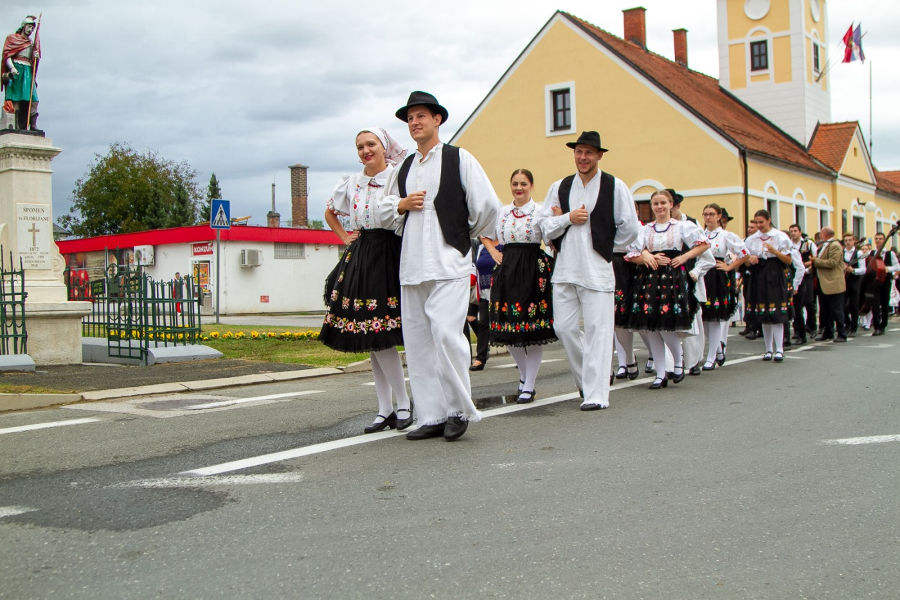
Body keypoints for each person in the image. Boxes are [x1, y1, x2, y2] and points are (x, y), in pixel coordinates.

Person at [380, 91, 500, 441]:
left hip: (449, 262)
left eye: (421, 116)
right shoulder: (403, 168)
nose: (414, 122)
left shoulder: (459, 158)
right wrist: (401, 205)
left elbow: (488, 207)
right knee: (418, 342)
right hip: (412, 264)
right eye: (410, 118)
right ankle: (431, 415)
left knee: (448, 336)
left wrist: (463, 235)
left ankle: (458, 409)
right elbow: (384, 211)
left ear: (437, 119)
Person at [320, 126, 413, 434]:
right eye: (360, 146)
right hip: (363, 255)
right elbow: (330, 212)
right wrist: (345, 236)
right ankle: (386, 408)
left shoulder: (397, 176)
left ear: (384, 147)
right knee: (372, 336)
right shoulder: (352, 182)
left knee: (381, 333)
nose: (365, 150)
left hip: (389, 253)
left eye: (371, 144)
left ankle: (403, 404)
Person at [540, 131, 640, 410]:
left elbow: (630, 228)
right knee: (564, 328)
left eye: (588, 153)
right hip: (565, 269)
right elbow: (544, 226)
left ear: (599, 155)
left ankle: (597, 394)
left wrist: (605, 246)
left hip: (597, 270)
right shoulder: (559, 186)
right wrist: (567, 218)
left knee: (599, 331)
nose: (582, 157)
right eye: (578, 152)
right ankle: (587, 380)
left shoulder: (615, 186)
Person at [625, 189, 710, 389]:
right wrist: (647, 256)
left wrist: (684, 257)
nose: (659, 207)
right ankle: (661, 373)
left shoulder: (681, 227)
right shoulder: (645, 229)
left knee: (666, 324)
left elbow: (704, 244)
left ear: (671, 204)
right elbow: (631, 254)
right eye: (656, 203)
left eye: (663, 203)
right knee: (652, 327)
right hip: (649, 278)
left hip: (671, 277)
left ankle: (678, 360)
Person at [484, 169, 556, 404]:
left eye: (523, 184)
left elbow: (551, 238)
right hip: (507, 270)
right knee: (508, 328)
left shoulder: (540, 211)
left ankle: (530, 384)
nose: (519, 188)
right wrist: (493, 251)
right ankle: (525, 375)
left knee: (532, 330)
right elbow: (484, 233)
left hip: (532, 270)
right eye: (515, 183)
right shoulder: (502, 212)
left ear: (531, 186)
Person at [700, 203, 747, 370]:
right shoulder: (700, 234)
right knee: (703, 319)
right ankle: (718, 350)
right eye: (706, 214)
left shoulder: (726, 235)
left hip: (716, 276)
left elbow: (744, 254)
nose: (708, 217)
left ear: (719, 216)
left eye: (711, 214)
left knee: (714, 319)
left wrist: (729, 267)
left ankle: (711, 357)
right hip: (702, 275)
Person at [744, 210, 794, 361]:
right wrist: (750, 260)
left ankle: (779, 349)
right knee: (764, 313)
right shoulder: (752, 239)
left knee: (776, 312)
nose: (759, 225)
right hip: (759, 273)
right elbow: (745, 260)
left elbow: (788, 260)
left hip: (775, 272)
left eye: (761, 222)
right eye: (756, 222)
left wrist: (774, 251)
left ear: (769, 220)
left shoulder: (780, 236)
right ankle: (768, 349)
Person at [1, 16, 40, 131]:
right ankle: (17, 125)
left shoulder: (31, 43)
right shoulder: (12, 38)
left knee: (34, 99)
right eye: (29, 27)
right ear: (23, 26)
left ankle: (33, 125)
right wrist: (12, 68)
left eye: (32, 28)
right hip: (17, 70)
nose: (30, 30)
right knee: (16, 98)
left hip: (27, 71)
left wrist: (35, 57)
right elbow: (7, 55)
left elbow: (33, 60)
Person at [811, 227, 848, 342]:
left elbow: (833, 262)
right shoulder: (825, 245)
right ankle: (828, 332)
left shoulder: (835, 245)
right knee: (825, 310)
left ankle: (842, 333)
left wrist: (816, 261)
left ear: (826, 234)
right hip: (824, 282)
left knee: (837, 309)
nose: (820, 235)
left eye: (821, 233)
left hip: (833, 282)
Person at [468, 237, 497, 371]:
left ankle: (522, 351)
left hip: (500, 290)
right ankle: (480, 358)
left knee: (508, 321)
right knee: (483, 324)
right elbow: (475, 266)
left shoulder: (504, 245)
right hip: (484, 291)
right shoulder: (481, 246)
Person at [867, 232, 900, 336]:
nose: (878, 240)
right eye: (876, 238)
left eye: (880, 238)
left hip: (885, 281)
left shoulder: (890, 254)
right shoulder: (872, 253)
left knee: (885, 303)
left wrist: (887, 269)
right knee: (875, 304)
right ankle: (876, 326)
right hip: (874, 282)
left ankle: (883, 325)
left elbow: (897, 267)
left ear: (884, 240)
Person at [788, 224, 816, 344]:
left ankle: (811, 327)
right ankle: (798, 331)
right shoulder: (789, 245)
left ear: (800, 232)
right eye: (791, 231)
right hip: (795, 276)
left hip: (806, 275)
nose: (793, 233)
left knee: (808, 302)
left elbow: (815, 259)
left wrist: (806, 265)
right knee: (795, 307)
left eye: (795, 231)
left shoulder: (808, 244)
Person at [841, 233, 864, 335]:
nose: (848, 242)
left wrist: (853, 270)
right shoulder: (841, 252)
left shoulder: (859, 253)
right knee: (842, 305)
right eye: (846, 240)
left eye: (850, 240)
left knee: (854, 305)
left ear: (854, 241)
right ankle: (847, 324)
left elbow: (863, 269)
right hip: (843, 280)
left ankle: (854, 327)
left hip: (854, 281)